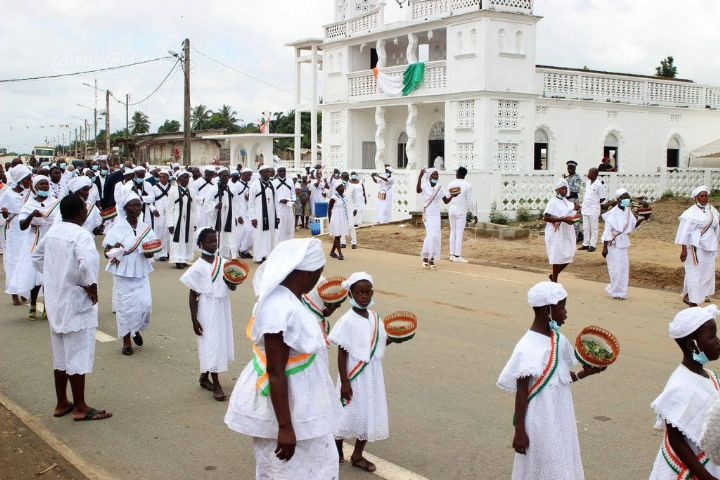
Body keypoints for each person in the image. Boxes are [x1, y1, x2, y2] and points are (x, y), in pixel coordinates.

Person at [224, 238, 339, 479]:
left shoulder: (290, 300)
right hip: (287, 407)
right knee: (285, 470)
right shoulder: (278, 307)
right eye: (319, 272)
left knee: (317, 465)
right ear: (307, 273)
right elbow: (276, 371)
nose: (319, 279)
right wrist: (285, 428)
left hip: (301, 401)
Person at [497, 281, 605, 480]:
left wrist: (586, 373)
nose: (565, 312)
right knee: (544, 465)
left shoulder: (558, 339)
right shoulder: (527, 346)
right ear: (548, 310)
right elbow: (522, 393)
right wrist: (519, 431)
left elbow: (559, 379)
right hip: (540, 419)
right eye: (562, 306)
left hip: (561, 415)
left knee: (562, 460)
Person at [31, 194, 112, 422]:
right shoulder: (81, 235)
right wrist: (91, 287)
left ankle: (61, 403)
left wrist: (53, 274)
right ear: (80, 213)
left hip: (56, 299)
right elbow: (87, 263)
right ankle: (80, 407)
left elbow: (36, 256)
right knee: (77, 353)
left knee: (60, 355)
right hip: (75, 300)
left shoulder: (54, 232)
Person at [648, 305, 720, 479]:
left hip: (708, 460)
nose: (718, 341)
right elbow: (676, 440)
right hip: (690, 467)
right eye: (712, 336)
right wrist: (706, 476)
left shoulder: (710, 376)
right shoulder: (679, 385)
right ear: (692, 345)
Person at [329, 272, 391, 473]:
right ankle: (336, 446)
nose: (364, 296)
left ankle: (357, 454)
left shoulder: (375, 317)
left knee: (369, 410)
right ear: (351, 295)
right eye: (359, 293)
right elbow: (342, 353)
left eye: (367, 292)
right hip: (352, 374)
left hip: (372, 372)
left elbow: (380, 342)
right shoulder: (348, 320)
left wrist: (396, 338)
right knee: (347, 410)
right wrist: (345, 382)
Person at [180, 228, 236, 402]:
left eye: (215, 241)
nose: (214, 244)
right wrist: (193, 318)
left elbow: (232, 287)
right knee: (211, 342)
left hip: (222, 306)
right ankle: (216, 383)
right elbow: (192, 294)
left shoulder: (224, 262)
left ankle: (204, 377)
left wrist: (232, 281)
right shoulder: (198, 267)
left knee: (219, 340)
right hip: (206, 308)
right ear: (201, 244)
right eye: (210, 241)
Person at [103, 192, 158, 356]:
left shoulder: (145, 227)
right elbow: (107, 251)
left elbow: (152, 248)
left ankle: (136, 329)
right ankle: (126, 341)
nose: (137, 208)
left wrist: (150, 252)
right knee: (125, 308)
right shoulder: (117, 228)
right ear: (125, 208)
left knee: (145, 305)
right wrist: (115, 249)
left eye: (139, 205)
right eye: (133, 205)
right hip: (123, 273)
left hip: (141, 271)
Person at [10, 175, 61, 320]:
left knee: (48, 275)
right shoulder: (29, 204)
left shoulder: (55, 202)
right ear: (36, 187)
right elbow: (22, 225)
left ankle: (47, 306)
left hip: (50, 238)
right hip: (34, 239)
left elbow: (59, 220)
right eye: (42, 184)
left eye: (46, 184)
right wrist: (32, 215)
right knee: (35, 274)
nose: (45, 186)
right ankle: (33, 304)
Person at [676, 186, 719, 307]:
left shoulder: (712, 210)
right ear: (696, 197)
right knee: (695, 272)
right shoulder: (690, 213)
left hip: (709, 245)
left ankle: (690, 295)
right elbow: (683, 232)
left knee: (707, 272)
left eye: (706, 195)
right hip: (695, 247)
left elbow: (716, 225)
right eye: (702, 196)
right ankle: (693, 301)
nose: (704, 198)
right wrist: (683, 250)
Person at [601, 188, 644, 300]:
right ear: (618, 199)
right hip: (613, 244)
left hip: (623, 243)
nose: (627, 199)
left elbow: (632, 226)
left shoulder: (628, 211)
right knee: (615, 269)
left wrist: (643, 219)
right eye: (624, 197)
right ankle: (615, 291)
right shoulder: (612, 214)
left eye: (627, 196)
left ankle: (621, 292)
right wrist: (604, 248)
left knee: (623, 268)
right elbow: (607, 231)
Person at [0, 164, 33, 305]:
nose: (29, 181)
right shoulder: (7, 193)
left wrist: (33, 189)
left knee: (27, 259)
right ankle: (14, 293)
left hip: (28, 229)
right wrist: (5, 214)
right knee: (13, 260)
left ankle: (25, 290)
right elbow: (2, 213)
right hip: (14, 231)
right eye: (27, 179)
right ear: (20, 179)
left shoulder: (30, 193)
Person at [416, 168, 454, 270]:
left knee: (436, 236)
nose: (436, 176)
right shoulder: (424, 185)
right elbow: (418, 190)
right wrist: (420, 176)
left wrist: (452, 196)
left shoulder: (439, 187)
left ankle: (432, 258)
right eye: (434, 175)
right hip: (427, 212)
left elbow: (445, 200)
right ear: (429, 176)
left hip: (436, 213)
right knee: (430, 235)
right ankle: (425, 257)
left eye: (437, 175)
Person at [543, 180, 578, 283]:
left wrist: (574, 216)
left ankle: (553, 275)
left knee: (569, 254)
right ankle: (554, 280)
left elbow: (570, 216)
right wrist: (562, 219)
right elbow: (546, 217)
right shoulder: (553, 202)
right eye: (562, 188)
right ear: (557, 190)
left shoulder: (567, 202)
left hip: (567, 232)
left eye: (566, 188)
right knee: (557, 256)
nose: (564, 190)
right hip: (556, 232)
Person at [447, 167, 478, 263]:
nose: (455, 173)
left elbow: (448, 198)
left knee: (453, 232)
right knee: (459, 233)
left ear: (459, 174)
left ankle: (452, 255)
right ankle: (457, 256)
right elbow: (470, 201)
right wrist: (474, 214)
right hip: (460, 212)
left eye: (456, 172)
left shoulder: (451, 184)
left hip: (451, 210)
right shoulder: (468, 185)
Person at [248, 165, 278, 263]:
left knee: (270, 235)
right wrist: (253, 217)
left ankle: (269, 255)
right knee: (259, 235)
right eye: (265, 172)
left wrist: (277, 215)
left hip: (271, 215)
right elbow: (251, 203)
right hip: (259, 215)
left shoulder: (272, 184)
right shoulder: (254, 185)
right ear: (260, 173)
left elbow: (276, 201)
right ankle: (259, 256)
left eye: (269, 172)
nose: (268, 174)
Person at [167, 171, 196, 269]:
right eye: (184, 177)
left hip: (188, 220)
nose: (186, 179)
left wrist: (194, 222)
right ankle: (177, 259)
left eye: (187, 178)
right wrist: (170, 223)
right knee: (177, 239)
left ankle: (185, 258)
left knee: (188, 239)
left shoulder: (191, 191)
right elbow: (169, 209)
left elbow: (194, 209)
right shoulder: (173, 191)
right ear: (178, 180)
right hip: (176, 220)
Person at [205, 169, 237, 259]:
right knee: (218, 236)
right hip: (217, 217)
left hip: (229, 216)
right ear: (220, 176)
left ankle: (227, 255)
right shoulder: (213, 189)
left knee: (228, 236)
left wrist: (236, 216)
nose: (227, 178)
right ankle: (217, 256)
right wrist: (215, 206)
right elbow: (207, 203)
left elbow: (235, 203)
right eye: (225, 176)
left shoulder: (231, 188)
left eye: (228, 176)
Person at [579, 168, 606, 252]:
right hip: (585, 208)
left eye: (589, 173)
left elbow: (602, 198)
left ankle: (593, 245)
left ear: (594, 174)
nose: (588, 174)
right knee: (586, 227)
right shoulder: (588, 182)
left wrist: (595, 202)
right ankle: (585, 244)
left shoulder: (599, 184)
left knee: (594, 227)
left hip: (594, 209)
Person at [151, 170, 172, 261]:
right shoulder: (154, 188)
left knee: (169, 232)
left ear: (167, 177)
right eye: (160, 177)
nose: (161, 179)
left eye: (163, 177)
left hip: (170, 213)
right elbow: (150, 202)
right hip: (158, 213)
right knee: (159, 232)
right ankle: (160, 254)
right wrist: (153, 209)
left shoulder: (172, 187)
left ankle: (169, 252)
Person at [328, 182, 351, 261]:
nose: (343, 188)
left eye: (343, 187)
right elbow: (329, 208)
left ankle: (332, 252)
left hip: (342, 217)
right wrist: (330, 219)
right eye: (341, 187)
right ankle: (340, 253)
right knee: (337, 236)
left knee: (339, 235)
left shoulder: (343, 197)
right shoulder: (334, 197)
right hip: (336, 217)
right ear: (337, 189)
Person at [273, 166, 296, 243]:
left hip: (289, 207)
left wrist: (291, 200)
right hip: (279, 208)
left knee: (289, 226)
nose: (282, 172)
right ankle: (278, 245)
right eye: (280, 171)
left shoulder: (290, 181)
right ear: (278, 172)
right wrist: (280, 200)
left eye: (284, 171)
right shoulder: (274, 182)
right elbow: (273, 195)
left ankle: (289, 244)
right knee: (279, 228)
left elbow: (293, 193)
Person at [564, 160, 583, 242]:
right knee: (568, 218)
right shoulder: (567, 177)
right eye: (568, 168)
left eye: (571, 168)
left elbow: (577, 189)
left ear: (574, 168)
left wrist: (566, 185)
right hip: (567, 200)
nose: (569, 169)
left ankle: (575, 237)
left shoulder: (577, 177)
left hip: (573, 200)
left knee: (574, 219)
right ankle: (579, 235)